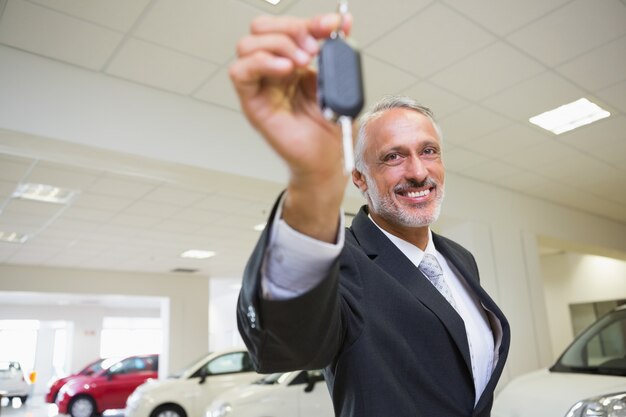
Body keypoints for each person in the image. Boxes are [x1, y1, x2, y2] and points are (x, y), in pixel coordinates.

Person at [230, 11, 510, 417]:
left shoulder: (460, 258)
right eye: (393, 156)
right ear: (360, 179)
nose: (417, 172)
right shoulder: (344, 262)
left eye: (428, 151)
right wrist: (313, 181)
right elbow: (284, 344)